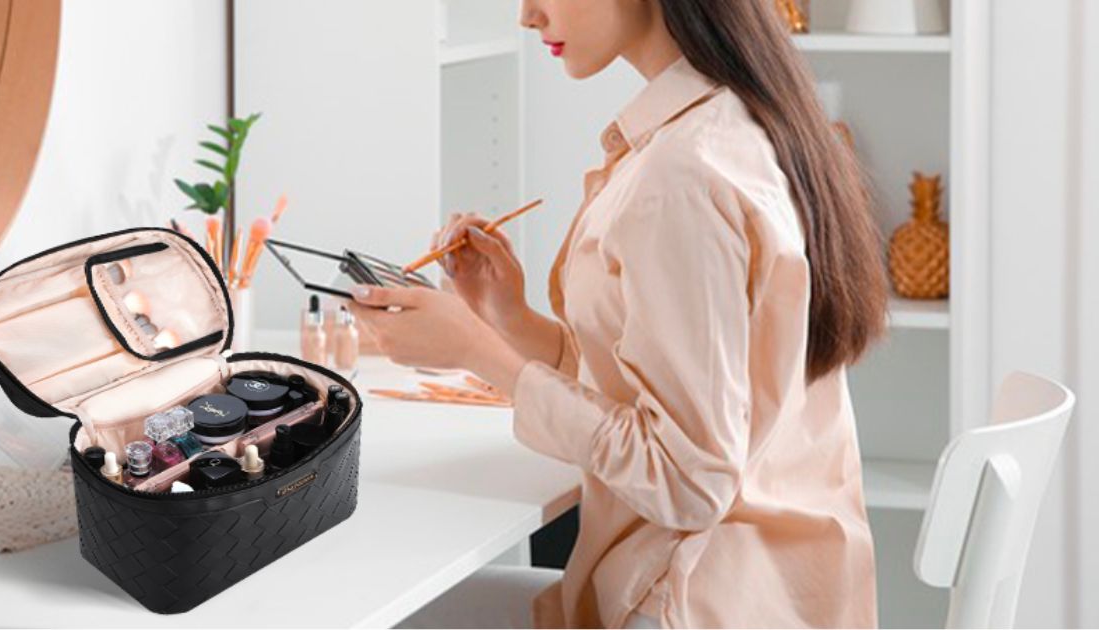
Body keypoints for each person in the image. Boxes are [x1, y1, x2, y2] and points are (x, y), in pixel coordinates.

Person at [349, 0, 887, 627]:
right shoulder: (735, 123)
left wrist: (476, 352)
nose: (526, 16)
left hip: (691, 596)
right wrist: (507, 317)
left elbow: (690, 480)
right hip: (769, 591)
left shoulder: (682, 174)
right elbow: (654, 390)